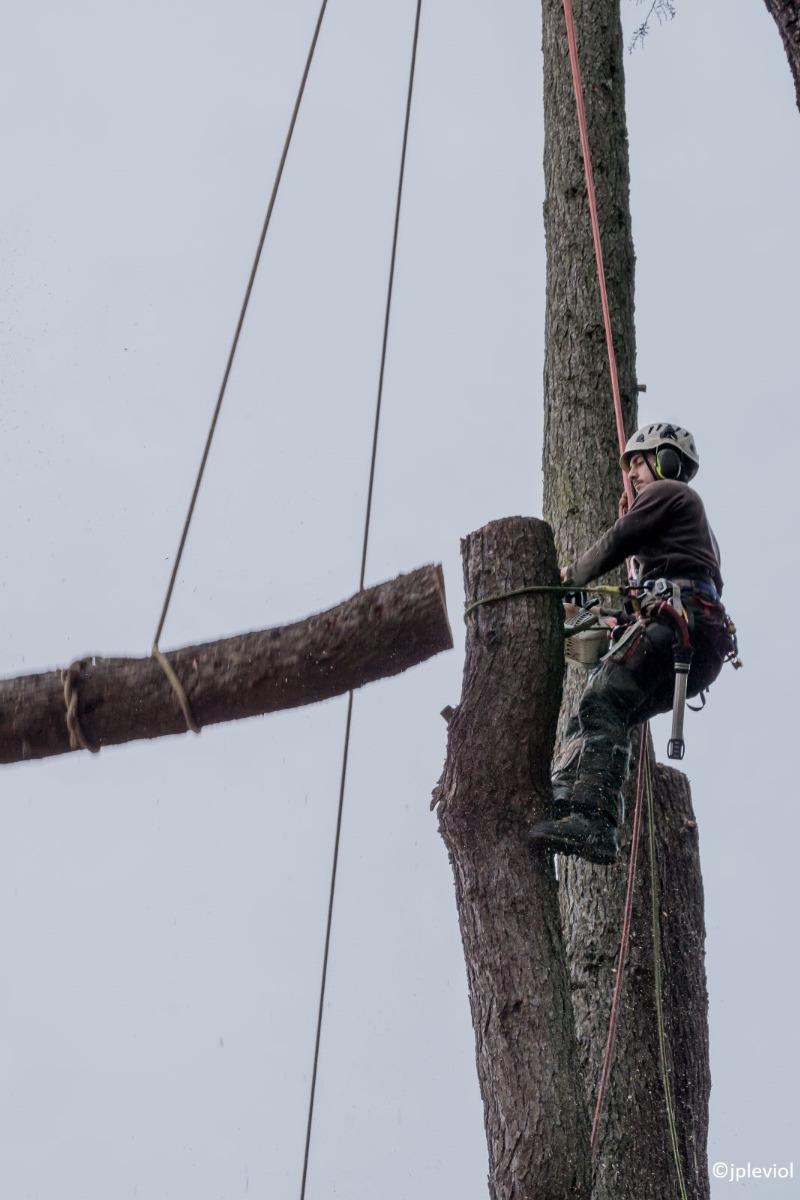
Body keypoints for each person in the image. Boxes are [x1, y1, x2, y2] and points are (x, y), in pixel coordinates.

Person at [528, 422, 735, 865]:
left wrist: (568, 578)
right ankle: (566, 793)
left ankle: (596, 819)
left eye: (640, 462)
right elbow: (641, 604)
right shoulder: (680, 539)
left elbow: (618, 541)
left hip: (682, 624)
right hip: (694, 641)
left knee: (602, 702)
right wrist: (583, 612)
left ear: (668, 462)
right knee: (603, 710)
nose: (634, 474)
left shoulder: (672, 494)